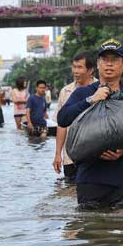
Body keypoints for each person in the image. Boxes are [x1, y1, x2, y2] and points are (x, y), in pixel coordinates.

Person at [57, 38, 123, 210]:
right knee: (91, 230)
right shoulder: (83, 93)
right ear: (98, 64)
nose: (109, 65)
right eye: (105, 60)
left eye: (115, 60)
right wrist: (91, 100)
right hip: (89, 179)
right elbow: (63, 119)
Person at [53, 51, 97, 183]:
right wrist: (57, 154)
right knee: (71, 195)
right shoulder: (65, 92)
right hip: (70, 156)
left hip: (95, 155)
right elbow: (62, 126)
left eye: (80, 67)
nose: (75, 71)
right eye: (74, 67)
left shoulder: (101, 89)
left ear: (90, 70)